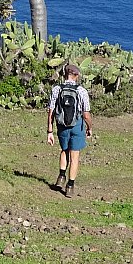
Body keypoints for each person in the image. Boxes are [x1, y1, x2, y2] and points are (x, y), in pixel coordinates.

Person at [47, 63, 92, 198]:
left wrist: (50, 130)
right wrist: (89, 127)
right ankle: (70, 186)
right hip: (77, 126)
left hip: (62, 126)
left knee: (64, 151)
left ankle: (61, 177)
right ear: (76, 76)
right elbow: (86, 114)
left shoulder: (56, 89)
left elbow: (51, 111)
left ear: (64, 74)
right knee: (75, 156)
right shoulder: (81, 91)